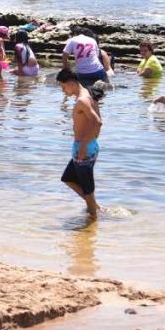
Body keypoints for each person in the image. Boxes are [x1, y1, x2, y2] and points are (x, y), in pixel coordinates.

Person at [57, 69, 103, 218]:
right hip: (88, 146)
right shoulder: (89, 95)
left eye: (63, 87)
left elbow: (97, 122)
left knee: (87, 189)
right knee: (68, 178)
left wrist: (84, 146)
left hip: (84, 148)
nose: (63, 91)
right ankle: (95, 206)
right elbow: (95, 125)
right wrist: (90, 143)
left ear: (71, 83)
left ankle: (92, 224)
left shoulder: (82, 100)